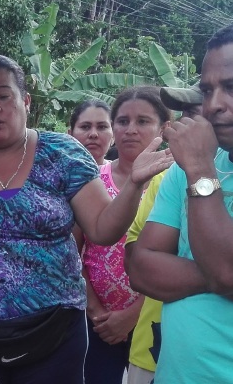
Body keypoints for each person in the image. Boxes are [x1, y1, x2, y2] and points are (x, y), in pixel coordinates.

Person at [0, 55, 172, 383]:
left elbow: (103, 229)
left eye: (3, 95)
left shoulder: (62, 154)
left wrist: (135, 184)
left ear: (25, 100)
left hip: (56, 335)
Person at [127, 24, 233, 382]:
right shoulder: (184, 168)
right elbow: (141, 267)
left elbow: (228, 271)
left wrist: (201, 169)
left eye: (230, 87)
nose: (214, 104)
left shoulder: (196, 164)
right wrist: (218, 278)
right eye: (207, 90)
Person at [76, 87, 171, 384]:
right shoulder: (92, 179)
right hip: (98, 320)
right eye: (122, 121)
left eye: (143, 121)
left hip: (153, 320)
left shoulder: (174, 181)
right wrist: (95, 309)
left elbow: (172, 258)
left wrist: (132, 315)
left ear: (163, 128)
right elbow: (73, 248)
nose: (130, 130)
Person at [123, 85, 202, 384]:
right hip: (155, 348)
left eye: (197, 113)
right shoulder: (170, 177)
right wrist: (221, 274)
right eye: (185, 114)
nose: (187, 124)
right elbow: (138, 267)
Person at [68, 99, 113, 165]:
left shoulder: (128, 174)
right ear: (70, 135)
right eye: (85, 127)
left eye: (102, 127)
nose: (93, 134)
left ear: (113, 136)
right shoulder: (54, 173)